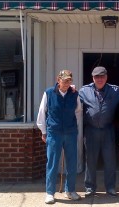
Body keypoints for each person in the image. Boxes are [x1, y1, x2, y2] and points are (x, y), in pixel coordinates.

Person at [78, 66, 119, 197]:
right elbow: (72, 101)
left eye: (102, 76)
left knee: (110, 160)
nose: (99, 79)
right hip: (90, 130)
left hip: (108, 130)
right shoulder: (84, 91)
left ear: (106, 77)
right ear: (93, 78)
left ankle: (111, 187)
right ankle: (90, 187)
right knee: (90, 160)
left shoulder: (115, 90)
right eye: (96, 77)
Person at [36, 70, 82, 204]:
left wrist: (76, 130)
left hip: (70, 133)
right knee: (52, 163)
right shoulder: (49, 93)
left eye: (69, 80)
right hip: (54, 133)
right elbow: (42, 113)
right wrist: (44, 131)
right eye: (64, 80)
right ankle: (50, 193)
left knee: (72, 163)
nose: (67, 83)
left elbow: (78, 112)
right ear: (58, 79)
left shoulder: (74, 94)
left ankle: (70, 190)